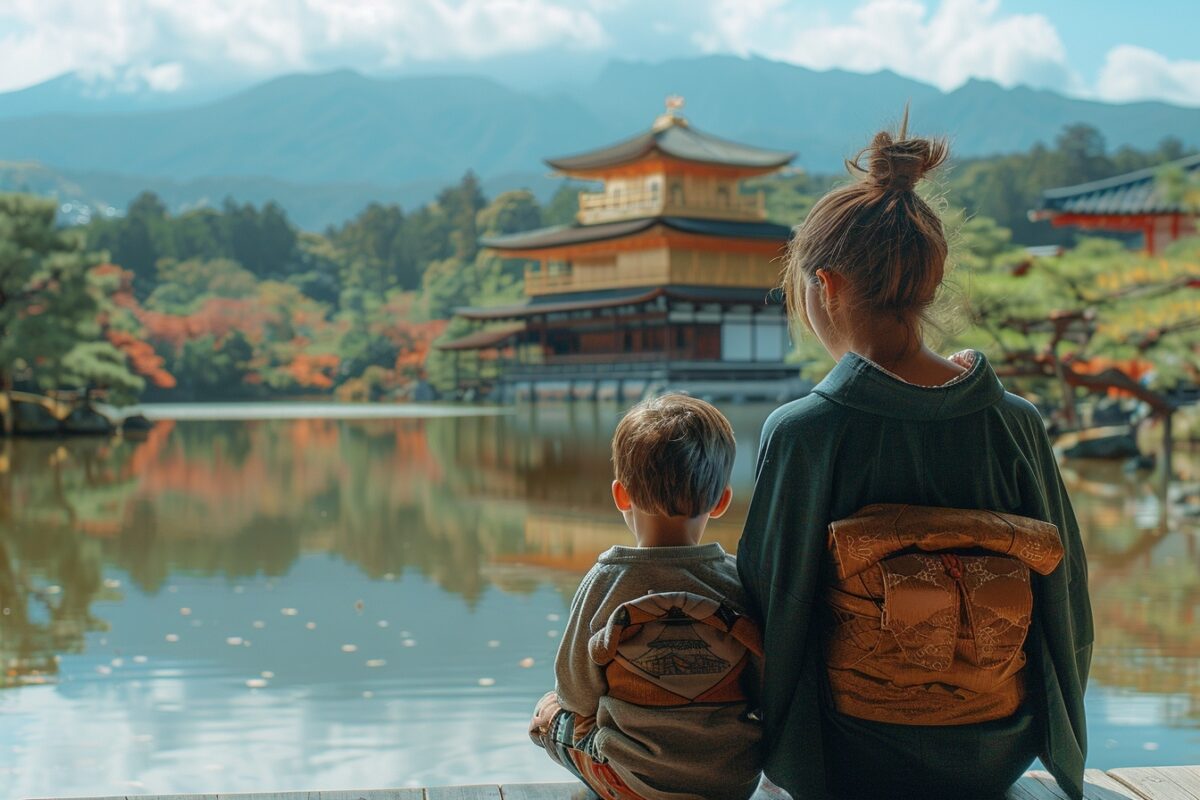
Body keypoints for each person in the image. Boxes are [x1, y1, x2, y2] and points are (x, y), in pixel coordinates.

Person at [736, 118, 1093, 800]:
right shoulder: (1015, 423)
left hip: (846, 756)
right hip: (999, 751)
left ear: (827, 284)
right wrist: (1063, 749)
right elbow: (1065, 603)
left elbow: (771, 615)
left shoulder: (803, 432)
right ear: (930, 282)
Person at [529, 394, 764, 800]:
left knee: (549, 715)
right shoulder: (737, 581)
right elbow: (763, 685)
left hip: (632, 783)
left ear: (620, 495)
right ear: (722, 501)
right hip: (732, 781)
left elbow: (575, 695)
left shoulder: (605, 581)